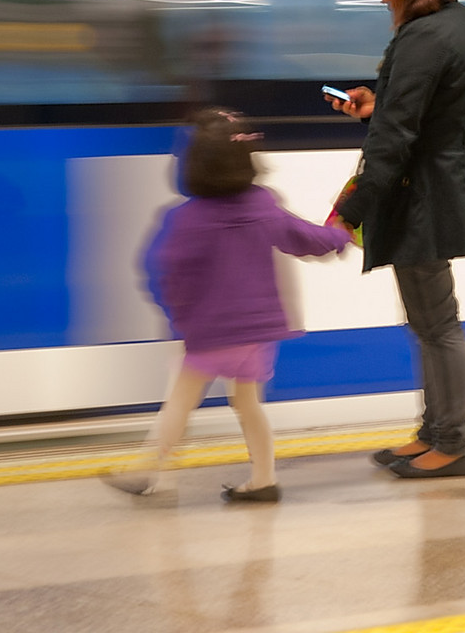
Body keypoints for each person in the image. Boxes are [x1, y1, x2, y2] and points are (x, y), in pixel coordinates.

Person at [105, 108, 353, 502]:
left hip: (211, 330)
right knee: (248, 404)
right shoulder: (262, 204)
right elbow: (303, 237)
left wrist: (179, 313)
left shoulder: (186, 219)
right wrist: (338, 237)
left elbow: (159, 271)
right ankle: (263, 478)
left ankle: (148, 468)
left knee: (181, 402)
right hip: (257, 331)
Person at [328, 0, 465, 479]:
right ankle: (434, 432)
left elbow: (395, 141)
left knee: (438, 325)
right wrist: (377, 103)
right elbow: (425, 114)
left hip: (425, 198)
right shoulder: (452, 24)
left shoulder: (425, 37)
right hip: (435, 191)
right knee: (430, 323)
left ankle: (451, 443)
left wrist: (348, 212)